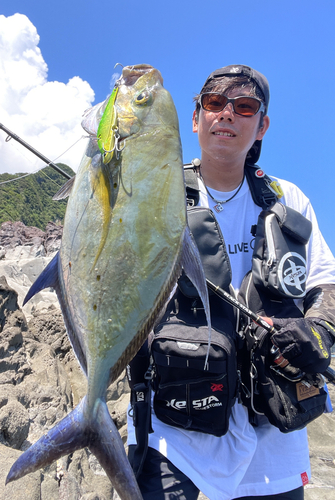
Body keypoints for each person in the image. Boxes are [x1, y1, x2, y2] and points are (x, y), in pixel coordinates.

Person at [127, 64, 335, 500]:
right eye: (214, 103)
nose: (226, 115)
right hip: (171, 431)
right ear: (195, 118)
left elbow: (326, 284)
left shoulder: (287, 199)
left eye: (244, 107)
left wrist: (319, 331)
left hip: (272, 435)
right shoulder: (153, 190)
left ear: (262, 126)